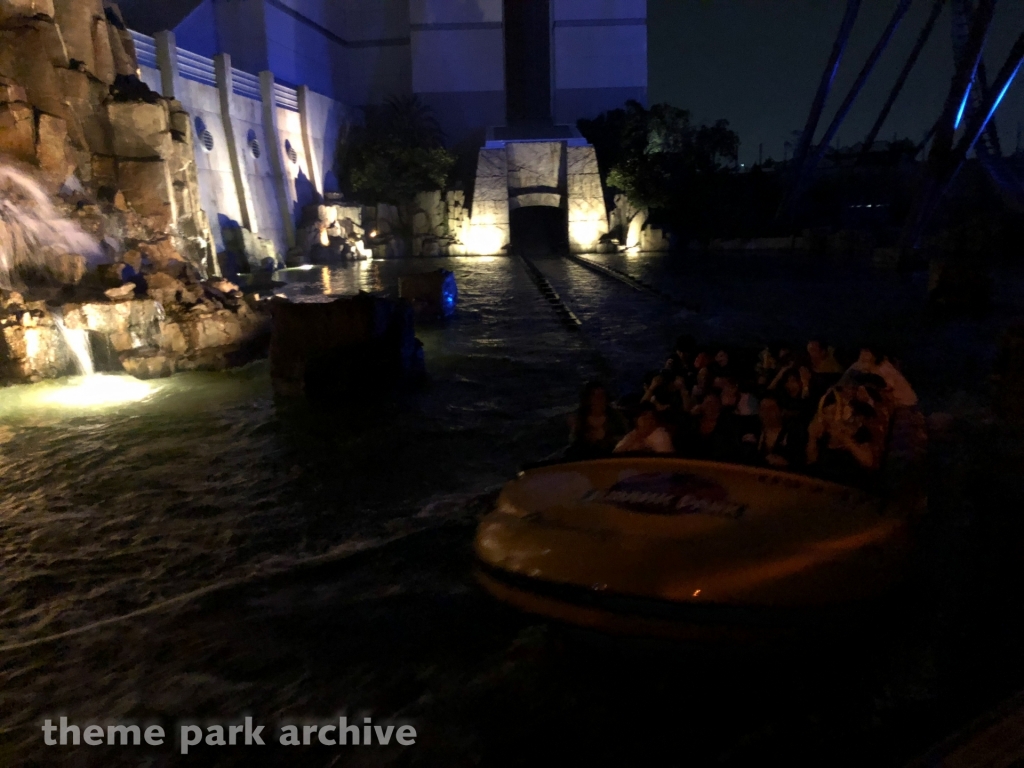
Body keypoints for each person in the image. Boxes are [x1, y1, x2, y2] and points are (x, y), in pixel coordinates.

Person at [567, 381, 625, 459]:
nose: (599, 399)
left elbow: (625, 437)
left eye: (602, 395)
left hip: (611, 457)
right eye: (595, 396)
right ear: (588, 399)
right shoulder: (580, 418)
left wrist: (608, 439)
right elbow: (573, 441)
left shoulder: (615, 417)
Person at [845, 346, 917, 407]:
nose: (863, 354)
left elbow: (888, 387)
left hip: (904, 403)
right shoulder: (865, 365)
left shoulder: (883, 367)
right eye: (863, 351)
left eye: (867, 351)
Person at [745, 395, 802, 468]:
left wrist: (787, 463)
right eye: (762, 409)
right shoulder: (753, 431)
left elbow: (797, 460)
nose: (765, 412)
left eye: (770, 409)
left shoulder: (792, 435)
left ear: (781, 412)